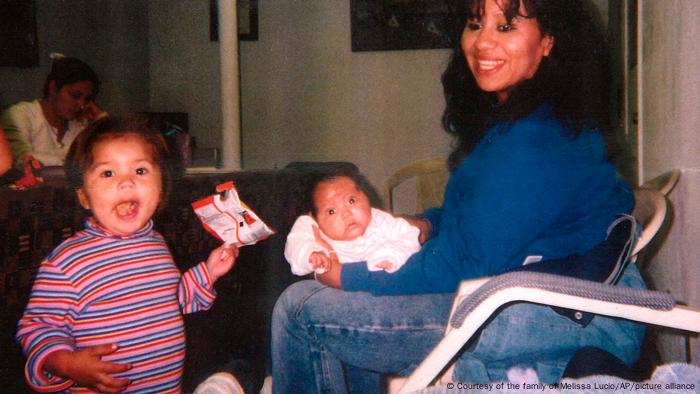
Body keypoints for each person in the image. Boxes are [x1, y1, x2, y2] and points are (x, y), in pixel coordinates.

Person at [270, 0, 646, 391]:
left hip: (544, 315)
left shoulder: (538, 140)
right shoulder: (530, 122)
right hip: (531, 295)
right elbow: (479, 216)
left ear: (548, 40)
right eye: (474, 24)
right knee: (321, 297)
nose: (482, 42)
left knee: (299, 308)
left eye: (506, 27)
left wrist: (348, 276)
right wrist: (425, 224)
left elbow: (460, 264)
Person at [16, 116, 238, 393]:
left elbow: (171, 299)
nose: (126, 183)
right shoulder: (67, 262)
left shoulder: (156, 244)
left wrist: (208, 272)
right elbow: (37, 326)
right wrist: (66, 363)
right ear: (83, 195)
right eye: (108, 173)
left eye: (141, 171)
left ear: (161, 189)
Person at [285, 169, 420, 276]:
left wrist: (391, 255)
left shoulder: (379, 220)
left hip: (379, 283)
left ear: (367, 197)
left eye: (351, 201)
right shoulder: (310, 226)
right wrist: (310, 254)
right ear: (314, 218)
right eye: (331, 211)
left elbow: (410, 235)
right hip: (333, 291)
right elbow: (295, 244)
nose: (346, 213)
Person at [1, 54, 104, 170]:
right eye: (75, 96)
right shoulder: (20, 115)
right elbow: (23, 160)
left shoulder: (80, 125)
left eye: (86, 99)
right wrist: (75, 163)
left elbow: (104, 160)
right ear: (53, 87)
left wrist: (101, 119)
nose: (81, 105)